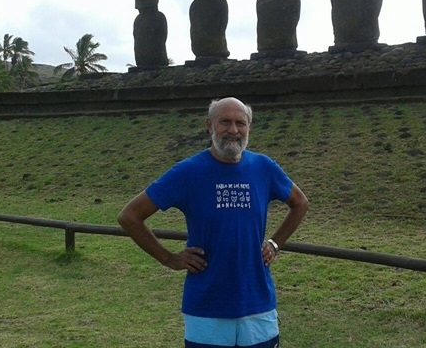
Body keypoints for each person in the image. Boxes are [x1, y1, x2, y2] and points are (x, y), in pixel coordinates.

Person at [118, 97, 310, 348]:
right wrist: (169, 258)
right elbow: (130, 216)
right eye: (225, 122)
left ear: (249, 128)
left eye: (241, 123)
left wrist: (275, 243)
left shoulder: (263, 167)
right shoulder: (188, 172)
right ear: (209, 125)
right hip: (207, 306)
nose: (233, 130)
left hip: (258, 303)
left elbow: (300, 203)